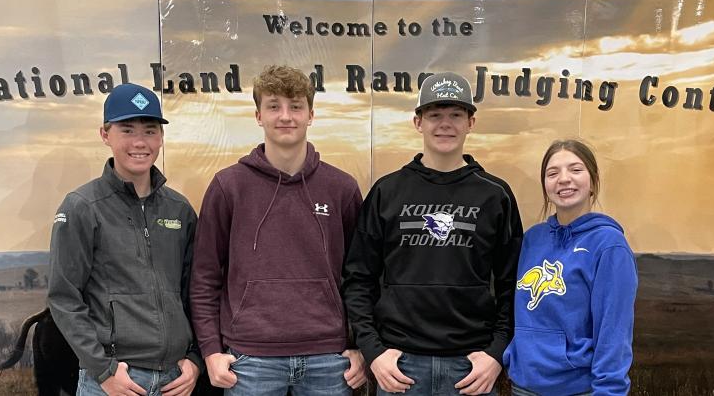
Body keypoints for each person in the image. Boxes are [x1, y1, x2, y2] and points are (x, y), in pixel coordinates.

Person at [343, 71, 523, 396]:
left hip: (471, 368)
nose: (445, 124)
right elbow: (358, 279)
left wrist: (496, 354)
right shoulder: (387, 192)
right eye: (435, 114)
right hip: (399, 367)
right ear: (418, 122)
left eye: (455, 114)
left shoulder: (495, 195)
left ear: (471, 122)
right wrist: (374, 352)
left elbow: (513, 285)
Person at [190, 65, 367, 395]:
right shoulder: (229, 187)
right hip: (250, 360)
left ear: (311, 114)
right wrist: (212, 351)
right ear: (258, 115)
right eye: (274, 106)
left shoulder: (341, 188)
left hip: (328, 360)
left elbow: (362, 276)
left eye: (296, 106)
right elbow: (205, 277)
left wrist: (362, 347)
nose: (285, 116)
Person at [48, 83, 201, 396]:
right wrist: (104, 372)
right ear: (105, 135)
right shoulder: (81, 206)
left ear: (161, 137)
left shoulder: (180, 209)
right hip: (114, 381)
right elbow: (64, 297)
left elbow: (196, 292)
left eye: (150, 130)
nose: (140, 142)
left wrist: (195, 358)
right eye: (127, 130)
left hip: (175, 380)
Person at [503, 139, 638, 396]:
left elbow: (614, 330)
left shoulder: (609, 245)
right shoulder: (533, 239)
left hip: (577, 389)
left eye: (576, 170)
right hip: (523, 387)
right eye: (552, 173)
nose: (564, 179)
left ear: (593, 181)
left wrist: (609, 391)